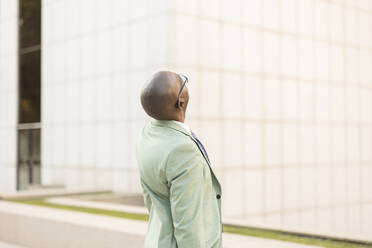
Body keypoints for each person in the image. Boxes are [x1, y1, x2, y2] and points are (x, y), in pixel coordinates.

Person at [136, 71, 222, 248]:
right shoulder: (183, 151)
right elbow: (187, 225)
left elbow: (151, 199)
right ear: (180, 102)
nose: (185, 82)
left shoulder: (147, 135)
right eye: (183, 83)